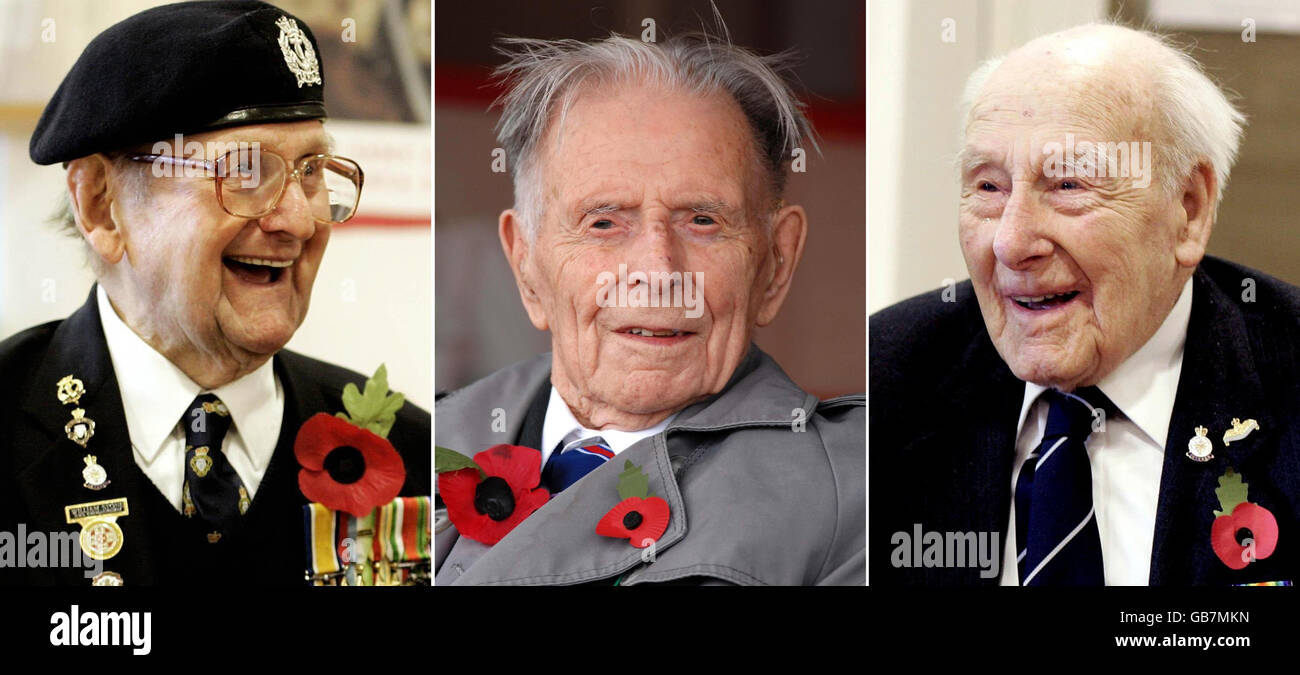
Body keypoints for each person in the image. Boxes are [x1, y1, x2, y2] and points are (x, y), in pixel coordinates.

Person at [0, 0, 430, 586]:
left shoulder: (410, 451)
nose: (299, 222)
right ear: (101, 205)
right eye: (246, 172)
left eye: (310, 171)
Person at [871, 23, 1298, 586]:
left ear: (1189, 210)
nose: (1011, 243)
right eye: (988, 187)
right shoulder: (885, 383)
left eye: (1069, 184)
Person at [434, 29, 865, 586]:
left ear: (776, 262)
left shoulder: (861, 492)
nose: (658, 272)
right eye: (604, 222)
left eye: (703, 220)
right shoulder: (419, 442)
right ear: (525, 265)